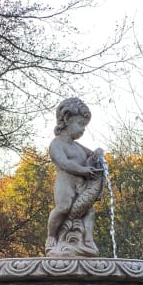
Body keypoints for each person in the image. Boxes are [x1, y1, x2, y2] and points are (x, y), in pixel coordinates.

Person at [46, 97, 105, 256]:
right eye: (80, 125)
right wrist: (83, 170)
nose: (83, 130)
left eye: (84, 126)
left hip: (81, 185)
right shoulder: (57, 144)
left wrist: (98, 154)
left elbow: (91, 155)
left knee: (89, 212)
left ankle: (88, 240)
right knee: (63, 208)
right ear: (67, 119)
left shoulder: (77, 146)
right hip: (65, 184)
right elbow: (64, 164)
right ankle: (52, 236)